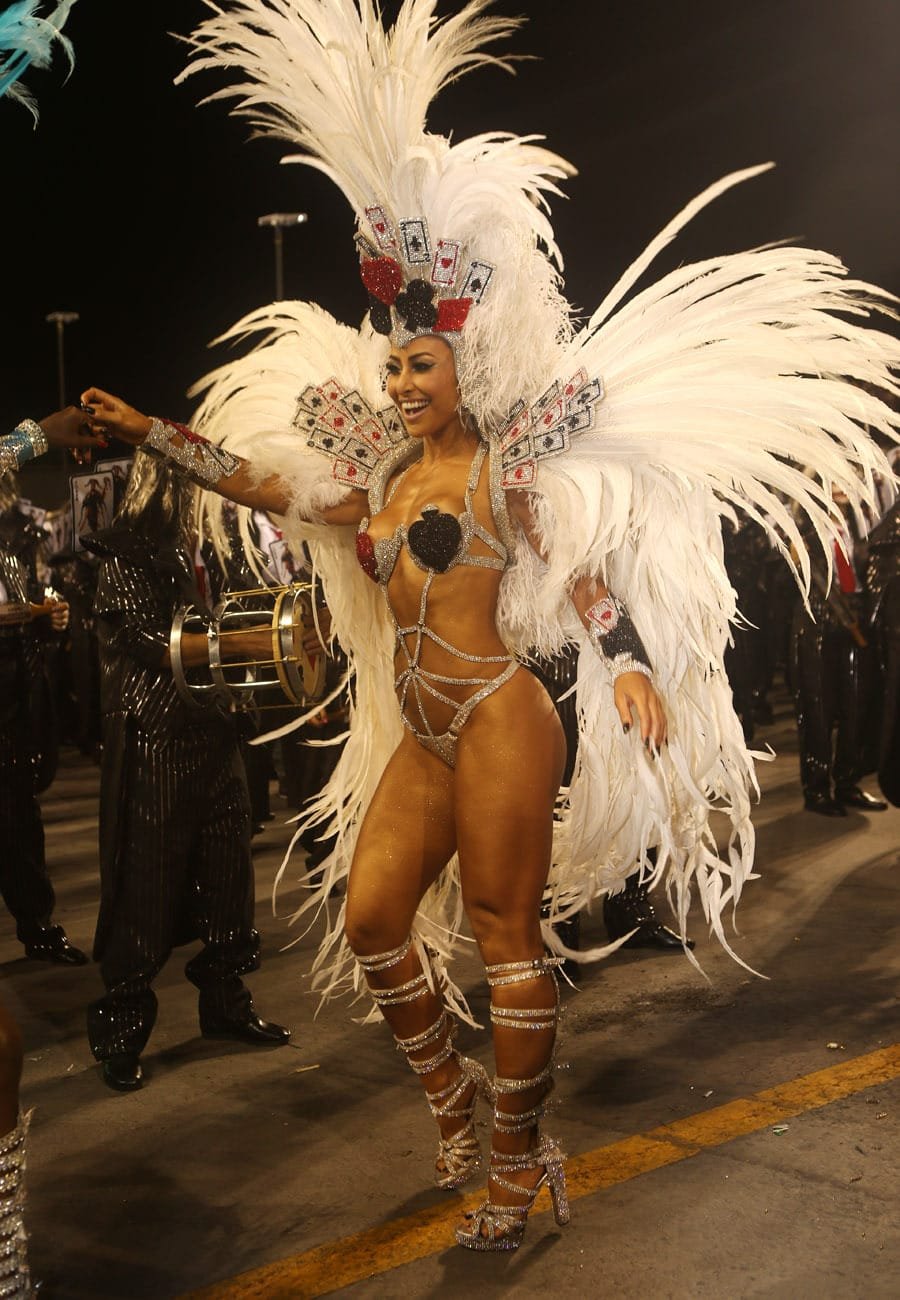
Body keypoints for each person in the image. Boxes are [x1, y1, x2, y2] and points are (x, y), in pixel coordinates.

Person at [80, 0, 897, 1252]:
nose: (400, 382)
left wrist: (628, 667)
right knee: (373, 921)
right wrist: (149, 432)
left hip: (502, 717)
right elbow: (258, 483)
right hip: (422, 732)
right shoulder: (378, 476)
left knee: (507, 938)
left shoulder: (509, 472)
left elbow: (582, 579)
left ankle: (518, 1164)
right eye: (393, 369)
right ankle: (460, 1106)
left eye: (421, 367)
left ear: (465, 366)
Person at [82, 451, 291, 1092]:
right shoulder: (124, 552)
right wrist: (247, 643)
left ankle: (225, 1003)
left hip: (213, 732)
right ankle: (122, 1031)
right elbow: (149, 640)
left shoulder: (210, 551)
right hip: (156, 740)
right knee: (146, 884)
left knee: (228, 874)